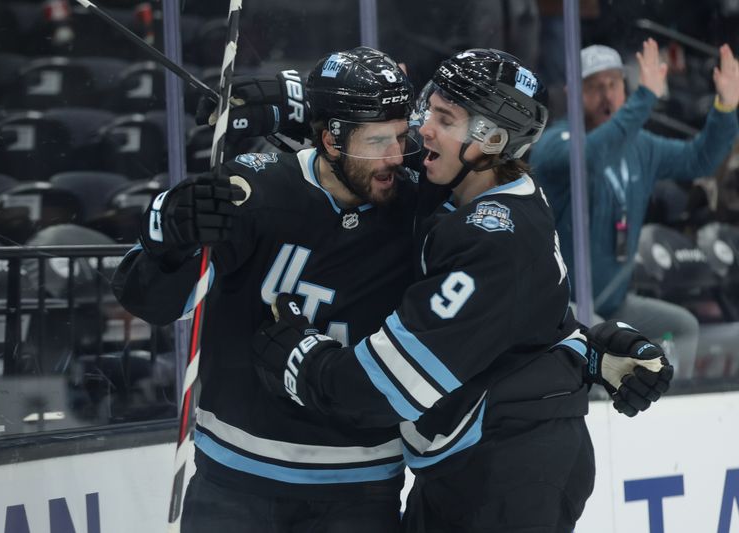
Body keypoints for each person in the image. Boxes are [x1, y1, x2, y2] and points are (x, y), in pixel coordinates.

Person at [252, 49, 673, 532]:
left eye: (443, 118)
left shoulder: (492, 239)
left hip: (509, 478)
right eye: (430, 108)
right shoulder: (481, 191)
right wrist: (306, 108)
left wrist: (302, 362)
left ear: (489, 139)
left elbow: (389, 386)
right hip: (475, 464)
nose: (423, 128)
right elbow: (519, 327)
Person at [112, 47, 423, 533]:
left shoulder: (418, 209)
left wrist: (289, 95)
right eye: (377, 141)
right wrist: (168, 237)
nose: (393, 158)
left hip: (361, 490)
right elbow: (147, 300)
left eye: (402, 139)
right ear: (330, 140)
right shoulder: (252, 192)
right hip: (235, 484)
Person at [531, 39, 739, 379]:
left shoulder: (639, 146)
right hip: (561, 307)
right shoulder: (555, 144)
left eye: (614, 84)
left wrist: (726, 108)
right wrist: (644, 98)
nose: (607, 95)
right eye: (594, 87)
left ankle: (667, 407)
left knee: (681, 327)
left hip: (613, 304)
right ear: (572, 94)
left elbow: (700, 158)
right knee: (599, 337)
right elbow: (593, 155)